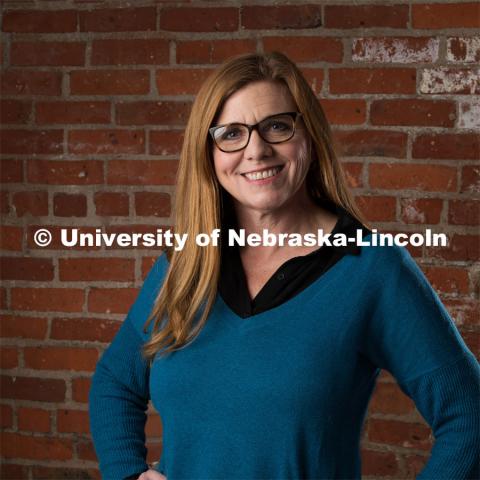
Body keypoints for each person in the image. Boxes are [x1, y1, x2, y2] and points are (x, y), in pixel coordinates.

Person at [89, 52, 480, 480]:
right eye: (231, 133)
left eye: (277, 126)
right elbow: (115, 381)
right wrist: (128, 473)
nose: (256, 150)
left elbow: (470, 415)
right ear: (209, 152)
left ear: (308, 137)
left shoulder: (371, 268)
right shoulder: (186, 263)